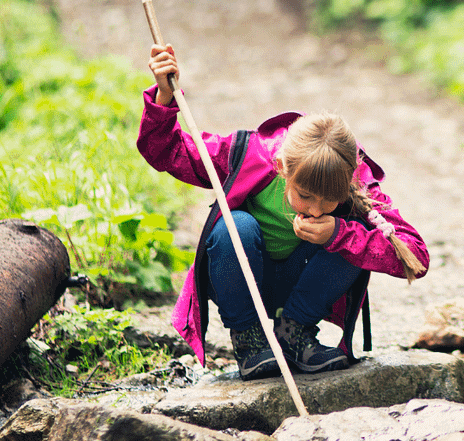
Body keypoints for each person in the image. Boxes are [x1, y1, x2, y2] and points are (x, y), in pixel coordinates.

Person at [138, 42, 429, 379]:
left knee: (353, 229)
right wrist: (163, 95)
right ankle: (249, 340)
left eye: (328, 200)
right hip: (243, 279)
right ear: (281, 167)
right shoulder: (246, 155)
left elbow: (416, 256)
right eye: (305, 195)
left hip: (302, 288)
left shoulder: (356, 183)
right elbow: (166, 151)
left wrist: (338, 233)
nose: (316, 209)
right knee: (237, 225)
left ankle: (294, 334)